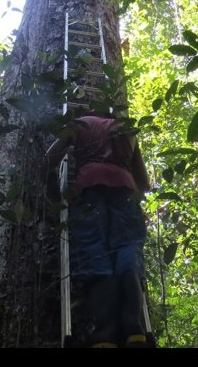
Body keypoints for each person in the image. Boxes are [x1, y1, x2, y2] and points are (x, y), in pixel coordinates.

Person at [46, 110, 151, 348]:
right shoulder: (127, 130)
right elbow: (143, 183)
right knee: (128, 250)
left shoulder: (80, 123)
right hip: (125, 191)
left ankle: (105, 333)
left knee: (95, 250)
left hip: (90, 187)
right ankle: (133, 328)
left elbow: (50, 157)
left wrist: (55, 191)